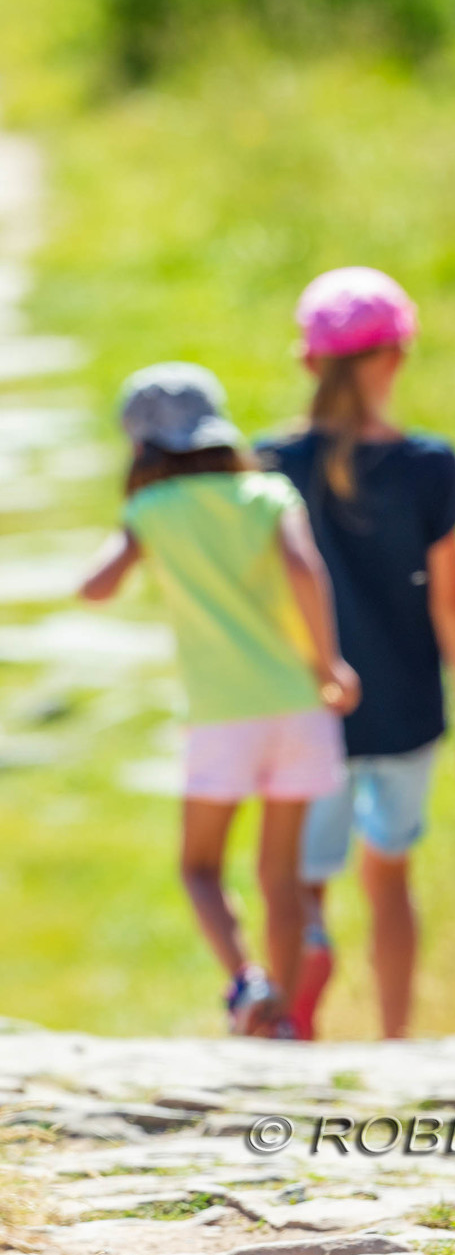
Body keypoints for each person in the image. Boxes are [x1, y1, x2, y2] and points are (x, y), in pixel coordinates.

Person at [78, 363, 359, 1035]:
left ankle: (246, 981)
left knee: (200, 864)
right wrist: (330, 664)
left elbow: (97, 584)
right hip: (298, 702)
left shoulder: (150, 510)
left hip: (221, 716)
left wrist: (130, 541)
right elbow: (302, 568)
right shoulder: (266, 492)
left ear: (142, 443)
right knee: (282, 873)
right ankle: (283, 1016)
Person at [257, 268, 455, 1041]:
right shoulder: (428, 465)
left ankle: (301, 983)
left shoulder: (269, 464)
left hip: (305, 704)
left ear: (309, 363)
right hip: (405, 706)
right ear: (396, 357)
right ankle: (395, 1037)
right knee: (389, 876)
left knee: (302, 877)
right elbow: (450, 601)